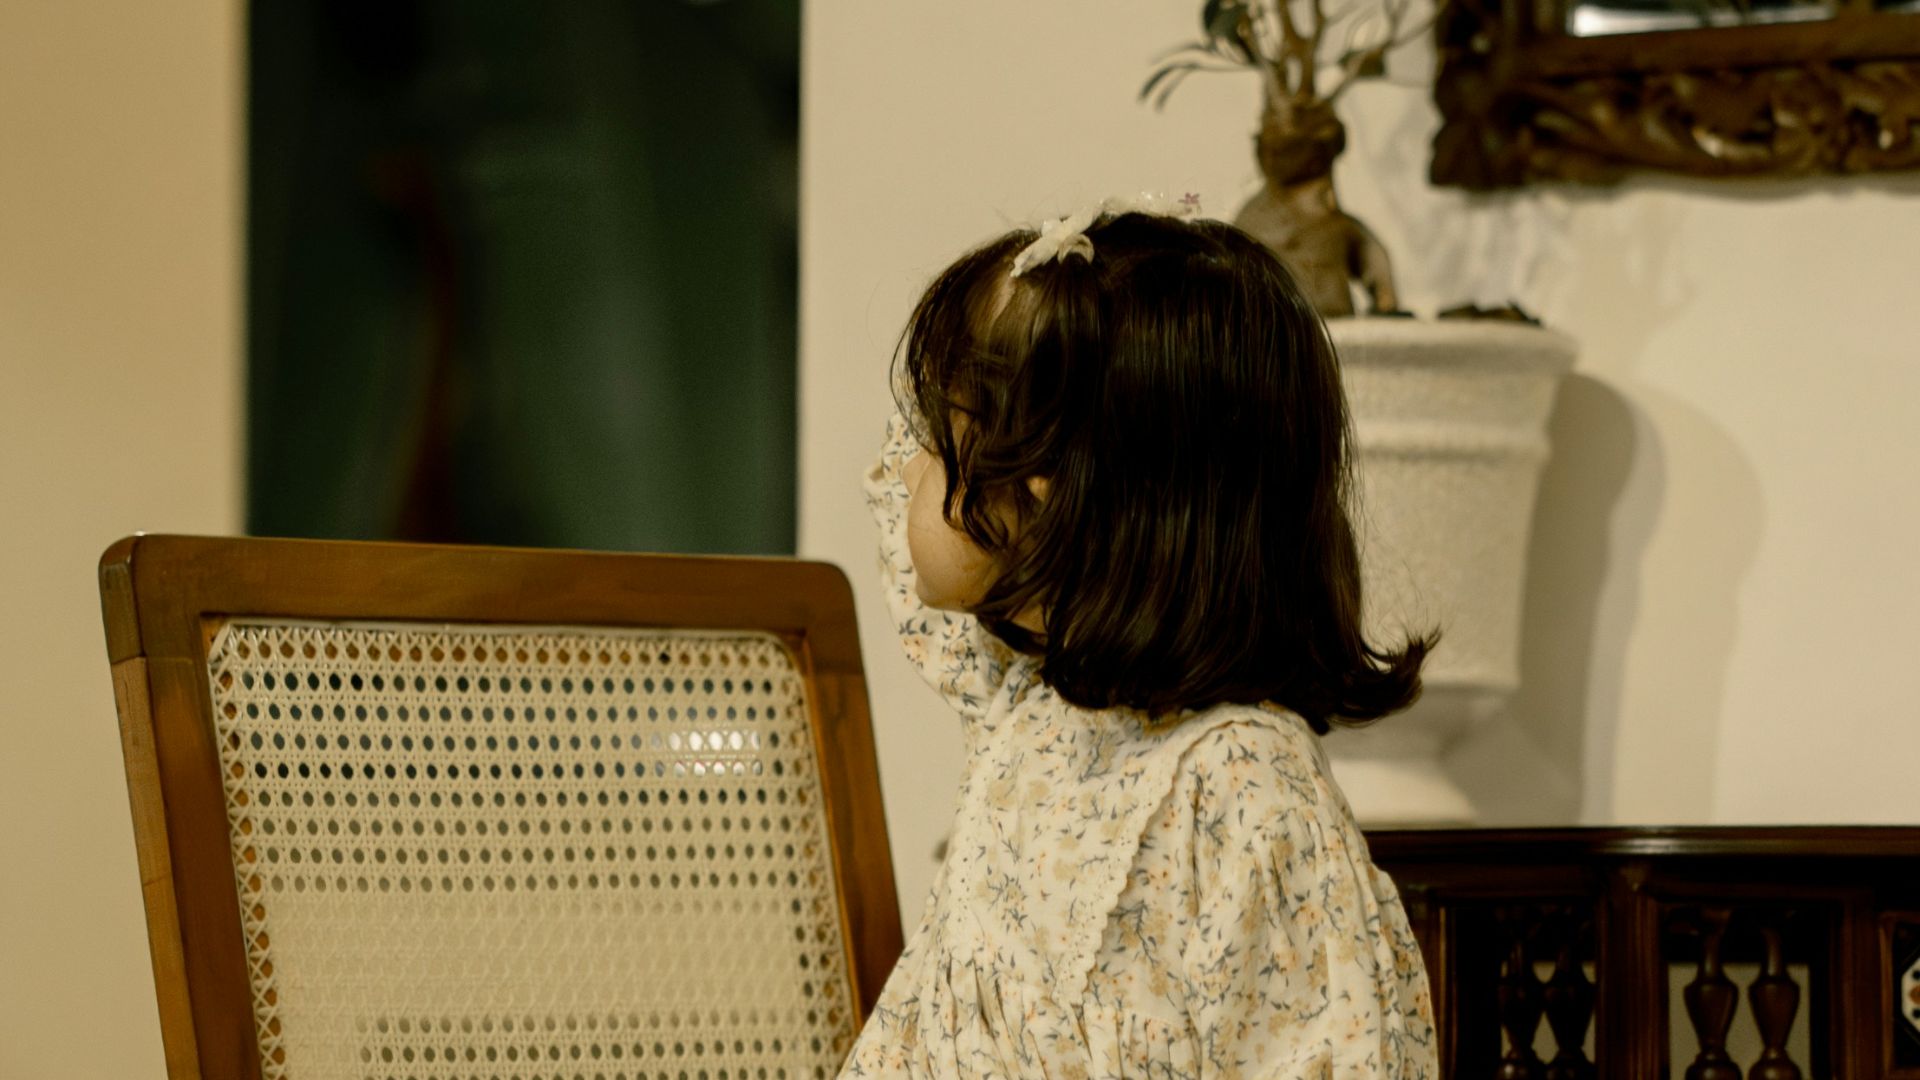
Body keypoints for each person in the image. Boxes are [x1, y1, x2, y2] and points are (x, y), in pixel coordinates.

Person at [840, 199, 1439, 1079]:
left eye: (939, 433)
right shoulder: (1022, 700)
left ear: (1041, 492)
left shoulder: (1241, 788)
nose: (907, 468)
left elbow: (1328, 1053)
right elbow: (914, 533)